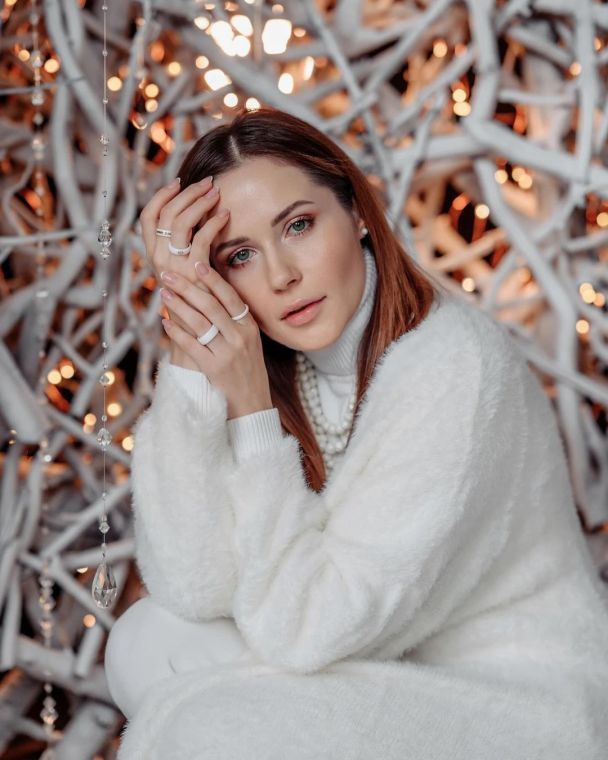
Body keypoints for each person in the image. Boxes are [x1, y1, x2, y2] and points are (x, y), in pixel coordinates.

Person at [104, 107, 608, 759]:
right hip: (377, 665)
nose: (281, 276)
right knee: (146, 644)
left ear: (358, 212)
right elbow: (191, 583)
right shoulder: (279, 368)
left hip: (520, 701)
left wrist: (252, 415)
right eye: (240, 256)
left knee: (207, 728)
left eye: (298, 225)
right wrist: (191, 354)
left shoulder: (455, 365)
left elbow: (306, 631)